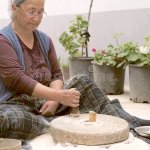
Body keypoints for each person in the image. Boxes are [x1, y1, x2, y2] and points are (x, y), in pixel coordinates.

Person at [0, 0, 150, 142]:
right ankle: (51, 123)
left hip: (49, 101)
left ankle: (130, 128)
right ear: (15, 8)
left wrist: (54, 100)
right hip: (18, 105)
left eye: (41, 12)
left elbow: (57, 74)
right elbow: (16, 79)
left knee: (83, 82)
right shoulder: (4, 40)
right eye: (31, 11)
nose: (37, 18)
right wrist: (57, 96)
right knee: (8, 119)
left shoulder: (45, 40)